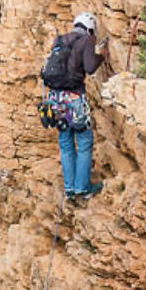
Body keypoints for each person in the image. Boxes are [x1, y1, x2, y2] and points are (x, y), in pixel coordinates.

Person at [45, 13, 107, 201]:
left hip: (54, 99)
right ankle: (83, 188)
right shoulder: (86, 40)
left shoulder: (60, 39)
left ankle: (69, 188)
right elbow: (89, 67)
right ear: (89, 29)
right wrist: (101, 56)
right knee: (84, 141)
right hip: (74, 99)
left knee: (65, 143)